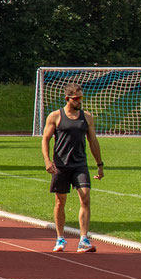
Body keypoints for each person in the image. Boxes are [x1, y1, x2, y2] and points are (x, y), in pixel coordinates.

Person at [41, 82, 107, 253]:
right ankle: (60, 238)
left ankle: (83, 239)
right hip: (61, 166)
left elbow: (93, 141)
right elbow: (45, 140)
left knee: (85, 198)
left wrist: (100, 165)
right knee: (59, 201)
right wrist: (47, 160)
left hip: (80, 165)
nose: (79, 101)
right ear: (67, 99)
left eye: (81, 98)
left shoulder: (87, 117)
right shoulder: (55, 116)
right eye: (76, 99)